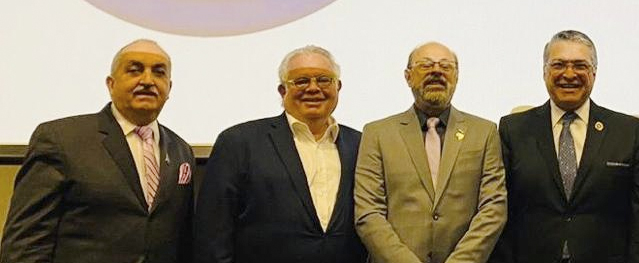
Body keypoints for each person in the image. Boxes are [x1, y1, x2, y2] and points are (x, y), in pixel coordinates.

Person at [0, 39, 194, 263]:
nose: (148, 81)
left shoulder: (181, 151)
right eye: (135, 70)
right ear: (111, 84)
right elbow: (25, 243)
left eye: (159, 73)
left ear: (169, 88)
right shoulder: (62, 140)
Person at [490, 29, 639, 263]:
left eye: (580, 66)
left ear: (594, 73)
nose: (569, 74)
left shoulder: (629, 131)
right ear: (544, 72)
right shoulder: (513, 129)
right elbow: (499, 210)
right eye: (559, 65)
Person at [194, 45, 365, 263]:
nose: (313, 88)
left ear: (338, 87)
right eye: (301, 81)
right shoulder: (239, 142)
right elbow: (212, 234)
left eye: (324, 80)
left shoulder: (360, 144)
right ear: (283, 91)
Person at [354, 41, 506, 263]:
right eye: (425, 65)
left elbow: (493, 207)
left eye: (445, 66)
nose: (436, 71)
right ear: (408, 76)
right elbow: (369, 211)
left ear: (456, 77)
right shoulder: (377, 134)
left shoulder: (484, 132)